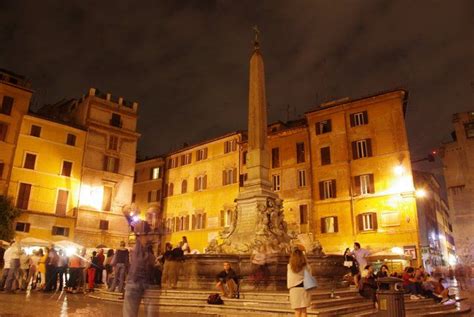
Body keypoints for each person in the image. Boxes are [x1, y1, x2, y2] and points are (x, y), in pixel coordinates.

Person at [123, 221, 154, 317]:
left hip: (138, 284)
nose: (150, 237)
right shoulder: (138, 250)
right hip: (136, 284)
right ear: (142, 236)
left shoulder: (143, 250)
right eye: (147, 235)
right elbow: (138, 267)